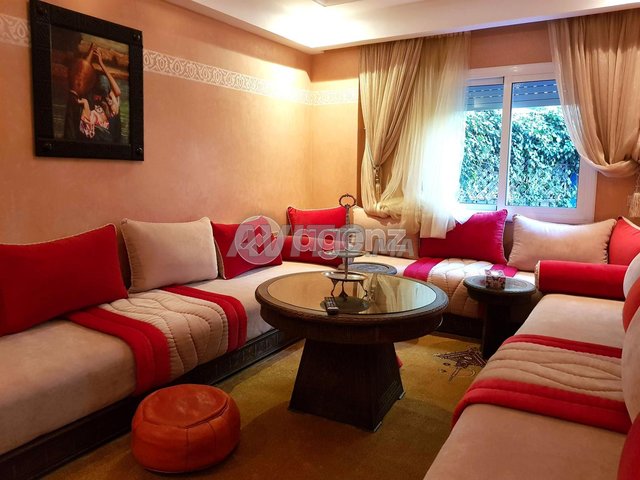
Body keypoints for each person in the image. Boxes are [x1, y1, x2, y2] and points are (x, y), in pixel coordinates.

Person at [77, 46, 122, 143]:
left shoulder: (109, 105)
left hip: (106, 138)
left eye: (100, 95)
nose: (98, 98)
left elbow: (118, 92)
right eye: (97, 94)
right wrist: (90, 54)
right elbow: (83, 74)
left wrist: (101, 63)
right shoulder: (88, 100)